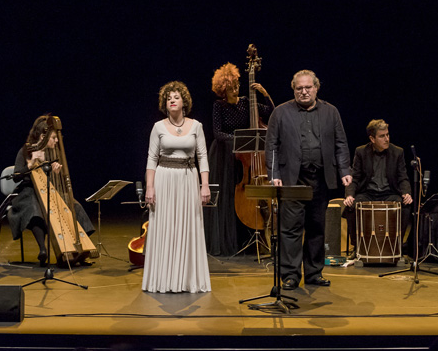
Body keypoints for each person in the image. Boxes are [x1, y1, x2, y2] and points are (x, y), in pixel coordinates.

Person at [265, 70, 351, 289]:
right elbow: (271, 146)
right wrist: (274, 175)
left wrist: (345, 170)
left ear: (316, 87)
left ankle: (313, 273)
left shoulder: (331, 112)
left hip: (320, 179)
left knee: (316, 227)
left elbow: (340, 143)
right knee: (291, 229)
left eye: (307, 87)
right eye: (299, 88)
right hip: (292, 179)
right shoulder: (281, 112)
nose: (303, 92)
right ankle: (290, 275)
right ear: (294, 89)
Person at [143, 81, 212, 293]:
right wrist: (150, 187)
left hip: (188, 180)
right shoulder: (158, 127)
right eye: (168, 98)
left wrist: (205, 185)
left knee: (188, 226)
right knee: (165, 228)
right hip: (164, 181)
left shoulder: (197, 126)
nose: (172, 100)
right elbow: (151, 158)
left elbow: (202, 157)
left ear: (184, 102)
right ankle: (163, 279)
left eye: (176, 97)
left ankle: (188, 280)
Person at [9, 115, 95, 267]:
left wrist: (56, 171)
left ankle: (80, 248)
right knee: (34, 207)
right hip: (27, 192)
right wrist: (30, 164)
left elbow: (53, 178)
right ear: (43, 136)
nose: (56, 141)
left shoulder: (53, 153)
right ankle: (43, 249)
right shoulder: (25, 151)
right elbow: (16, 176)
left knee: (75, 206)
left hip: (48, 191)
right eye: (54, 138)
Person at [206, 62, 274, 256]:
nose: (236, 89)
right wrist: (239, 140)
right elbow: (218, 133)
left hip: (246, 159)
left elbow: (271, 112)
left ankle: (250, 239)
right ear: (223, 89)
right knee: (228, 198)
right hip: (225, 156)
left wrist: (265, 94)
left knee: (245, 196)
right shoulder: (218, 106)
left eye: (237, 85)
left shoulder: (246, 102)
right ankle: (228, 242)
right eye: (231, 87)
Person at [342, 119, 413, 256]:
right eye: (382, 136)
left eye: (387, 135)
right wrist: (349, 195)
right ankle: (357, 246)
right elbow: (354, 178)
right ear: (372, 138)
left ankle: (396, 245)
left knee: (406, 205)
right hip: (368, 192)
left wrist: (406, 193)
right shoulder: (361, 152)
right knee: (351, 205)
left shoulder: (397, 152)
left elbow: (402, 177)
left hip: (389, 192)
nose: (386, 139)